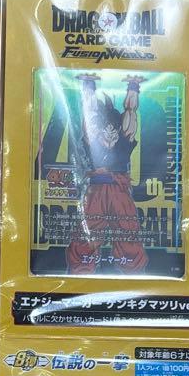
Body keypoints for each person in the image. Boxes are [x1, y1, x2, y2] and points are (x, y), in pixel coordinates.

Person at [65, 74, 147, 274]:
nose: (109, 134)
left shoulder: (125, 137)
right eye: (105, 130)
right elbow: (90, 111)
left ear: (118, 129)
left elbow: (131, 111)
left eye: (113, 130)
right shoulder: (92, 136)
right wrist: (88, 86)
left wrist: (133, 87)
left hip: (119, 188)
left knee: (127, 230)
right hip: (96, 189)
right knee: (87, 232)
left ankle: (133, 272)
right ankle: (81, 271)